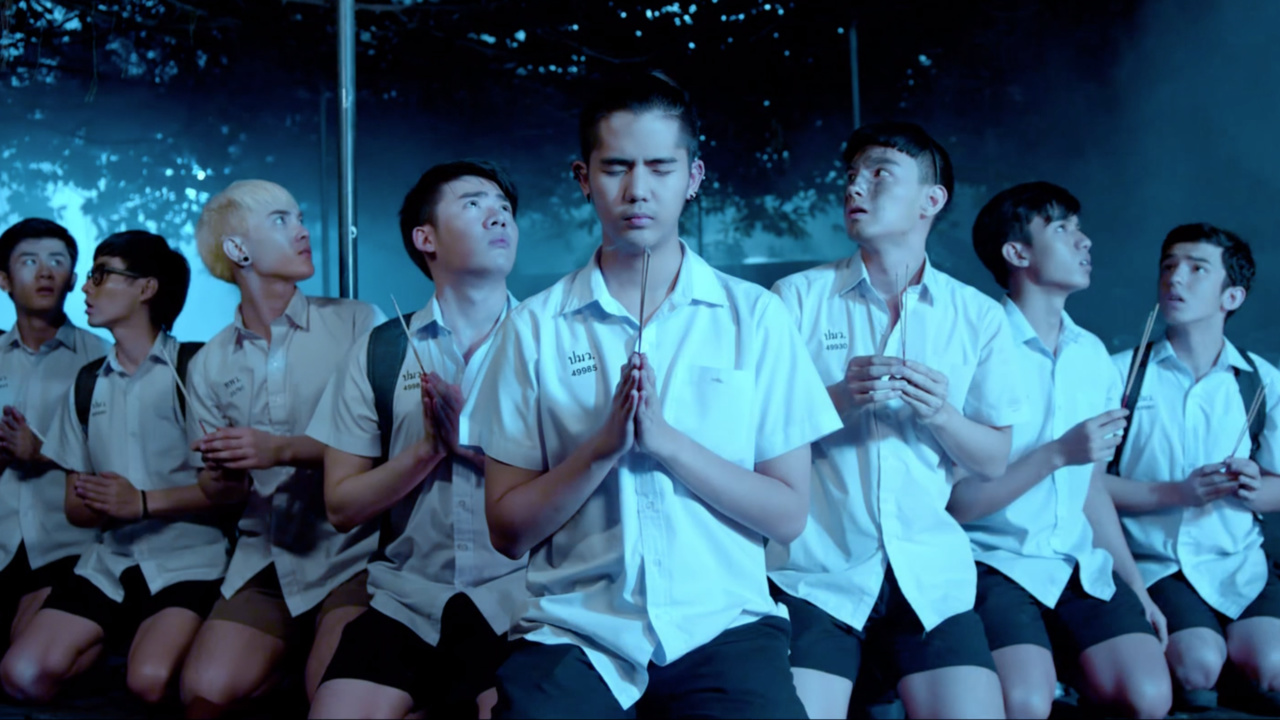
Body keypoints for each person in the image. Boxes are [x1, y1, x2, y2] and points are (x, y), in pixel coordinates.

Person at [463, 71, 841, 718]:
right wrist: (602, 448)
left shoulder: (755, 316)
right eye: (616, 168)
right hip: (575, 630)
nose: (638, 189)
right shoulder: (533, 328)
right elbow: (507, 531)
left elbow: (787, 515)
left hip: (724, 625)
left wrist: (666, 443)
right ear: (583, 178)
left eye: (661, 167)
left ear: (693, 177)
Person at [766, 121, 1027, 719]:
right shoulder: (794, 299)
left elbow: (993, 458)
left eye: (880, 173)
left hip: (929, 576)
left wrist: (942, 414)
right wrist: (838, 398)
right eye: (851, 175)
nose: (856, 186)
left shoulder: (977, 316)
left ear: (931, 200)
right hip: (814, 573)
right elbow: (752, 438)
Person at [306, 160, 527, 720]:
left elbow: (585, 487)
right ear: (425, 239)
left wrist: (468, 449)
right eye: (474, 204)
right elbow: (341, 506)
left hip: (522, 600)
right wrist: (427, 450)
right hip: (408, 600)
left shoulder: (548, 341)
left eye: (504, 207)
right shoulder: (380, 350)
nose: (498, 215)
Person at [950, 181, 1171, 718]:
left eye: (1079, 228)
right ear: (1017, 252)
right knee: (1024, 703)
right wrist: (1055, 453)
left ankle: (1069, 665)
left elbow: (1089, 489)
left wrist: (1135, 585)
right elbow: (956, 504)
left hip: (1076, 562)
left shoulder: (1091, 354)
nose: (1084, 240)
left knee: (1149, 697)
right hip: (992, 561)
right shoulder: (974, 346)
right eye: (1062, 228)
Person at [178, 180, 385, 717]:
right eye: (280, 220)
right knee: (202, 694)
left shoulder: (357, 322)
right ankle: (285, 656)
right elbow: (220, 493)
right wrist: (221, 475)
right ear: (237, 250)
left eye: (300, 217)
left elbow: (387, 445)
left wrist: (280, 449)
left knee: (334, 698)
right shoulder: (209, 363)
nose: (302, 231)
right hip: (266, 555)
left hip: (357, 552)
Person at [0, 230, 228, 705]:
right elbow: (75, 509)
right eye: (89, 275)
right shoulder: (88, 383)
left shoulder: (195, 367)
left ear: (146, 288)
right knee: (20, 674)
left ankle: (157, 644)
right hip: (109, 562)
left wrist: (141, 502)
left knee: (149, 680)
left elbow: (233, 491)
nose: (85, 287)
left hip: (189, 559)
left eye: (101, 275)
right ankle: (118, 640)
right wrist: (97, 500)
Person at [1105, 223, 1280, 712]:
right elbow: (1083, 486)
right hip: (1155, 563)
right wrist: (1176, 493)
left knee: (1273, 665)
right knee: (1197, 665)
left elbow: (1277, 487)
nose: (1175, 279)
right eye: (1168, 266)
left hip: (1238, 562)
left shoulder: (1261, 382)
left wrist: (1255, 487)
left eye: (1197, 269)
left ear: (1232, 296)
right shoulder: (1120, 374)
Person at [0, 219, 107, 650]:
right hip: (3, 540)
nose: (45, 272)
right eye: (30, 261)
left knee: (25, 662)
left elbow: (128, 458)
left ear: (73, 280)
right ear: (4, 280)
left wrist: (42, 451)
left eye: (56, 261)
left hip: (70, 547)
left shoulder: (102, 359)